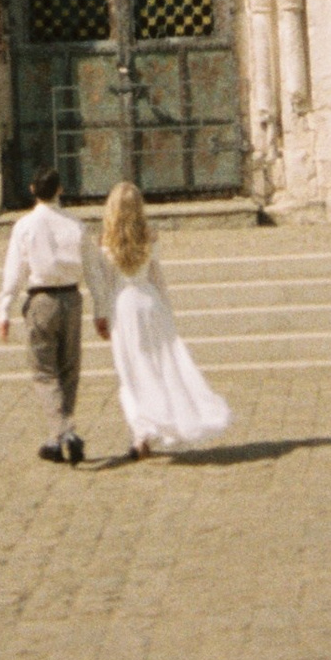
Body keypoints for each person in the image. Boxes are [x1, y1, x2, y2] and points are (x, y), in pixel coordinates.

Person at [94, 180, 233, 458]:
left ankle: (141, 434)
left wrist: (101, 315)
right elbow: (158, 279)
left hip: (123, 306)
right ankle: (155, 422)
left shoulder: (105, 243)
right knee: (159, 366)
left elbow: (105, 285)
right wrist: (167, 313)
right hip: (150, 302)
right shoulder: (149, 238)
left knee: (130, 371)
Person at [0, 167, 110, 465]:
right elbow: (94, 270)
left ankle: (64, 432)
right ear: (60, 190)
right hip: (71, 299)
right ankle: (59, 435)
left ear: (33, 190)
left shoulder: (24, 226)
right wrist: (102, 309)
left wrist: (4, 308)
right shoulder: (76, 225)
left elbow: (15, 270)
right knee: (69, 369)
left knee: (45, 371)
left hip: (41, 300)